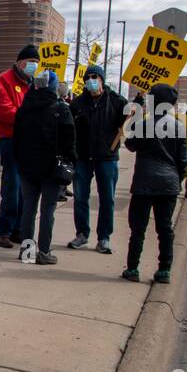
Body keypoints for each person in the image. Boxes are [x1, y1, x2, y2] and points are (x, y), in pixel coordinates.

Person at [122, 83, 187, 283]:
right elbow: (183, 160)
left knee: (138, 229)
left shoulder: (143, 124)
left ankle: (133, 268)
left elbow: (130, 145)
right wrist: (177, 179)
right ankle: (164, 270)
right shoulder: (178, 126)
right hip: (168, 184)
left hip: (144, 182)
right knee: (165, 229)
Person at [12, 70, 76, 265]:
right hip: (51, 168)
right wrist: (70, 161)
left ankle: (27, 252)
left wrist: (20, 161)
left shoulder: (24, 109)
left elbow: (17, 140)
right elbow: (69, 140)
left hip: (27, 167)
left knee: (28, 210)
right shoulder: (61, 109)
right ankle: (44, 252)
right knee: (48, 210)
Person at [68, 64, 127, 253]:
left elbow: (127, 125)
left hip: (107, 157)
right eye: (88, 78)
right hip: (83, 158)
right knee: (80, 197)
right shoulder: (77, 104)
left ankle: (104, 238)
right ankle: (82, 234)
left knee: (107, 199)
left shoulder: (118, 102)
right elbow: (70, 130)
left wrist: (135, 110)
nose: (91, 81)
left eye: (95, 77)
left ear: (102, 79)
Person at [0, 44, 39, 248]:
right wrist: (27, 117)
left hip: (28, 141)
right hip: (10, 140)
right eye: (30, 62)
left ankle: (18, 230)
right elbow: (3, 110)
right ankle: (3, 231)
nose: (33, 66)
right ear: (20, 62)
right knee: (12, 187)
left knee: (24, 190)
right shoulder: (5, 80)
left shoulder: (34, 84)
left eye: (36, 63)